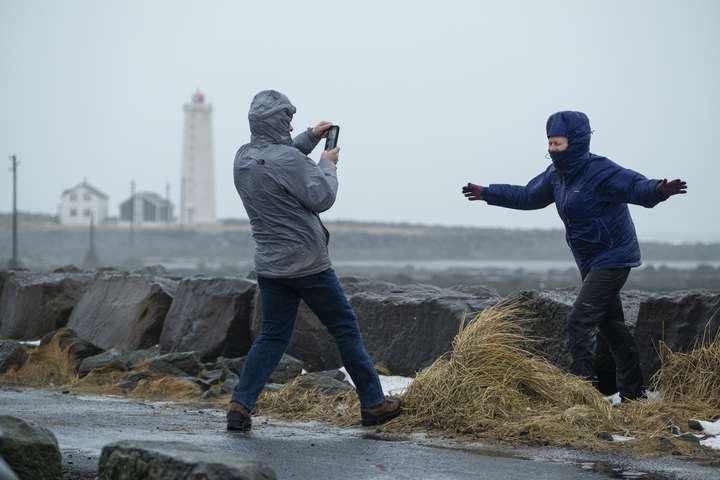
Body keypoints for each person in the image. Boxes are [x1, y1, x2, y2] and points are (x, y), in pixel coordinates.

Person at [462, 111, 687, 400]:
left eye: (558, 144)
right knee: (611, 325)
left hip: (615, 256)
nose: (552, 150)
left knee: (580, 319)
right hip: (589, 260)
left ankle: (582, 390)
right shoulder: (556, 175)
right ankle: (634, 393)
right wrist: (488, 193)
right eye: (550, 144)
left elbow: (634, 186)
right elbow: (529, 196)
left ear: (577, 141)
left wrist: (658, 190)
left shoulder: (600, 170)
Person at [228, 90, 401, 431]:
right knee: (345, 329)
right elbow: (322, 196)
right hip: (309, 265)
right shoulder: (289, 162)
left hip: (270, 265)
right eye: (287, 119)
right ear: (277, 121)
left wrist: (308, 137)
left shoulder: (243, 158)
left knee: (272, 335)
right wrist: (328, 163)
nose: (290, 123)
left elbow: (275, 160)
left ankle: (240, 405)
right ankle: (374, 404)